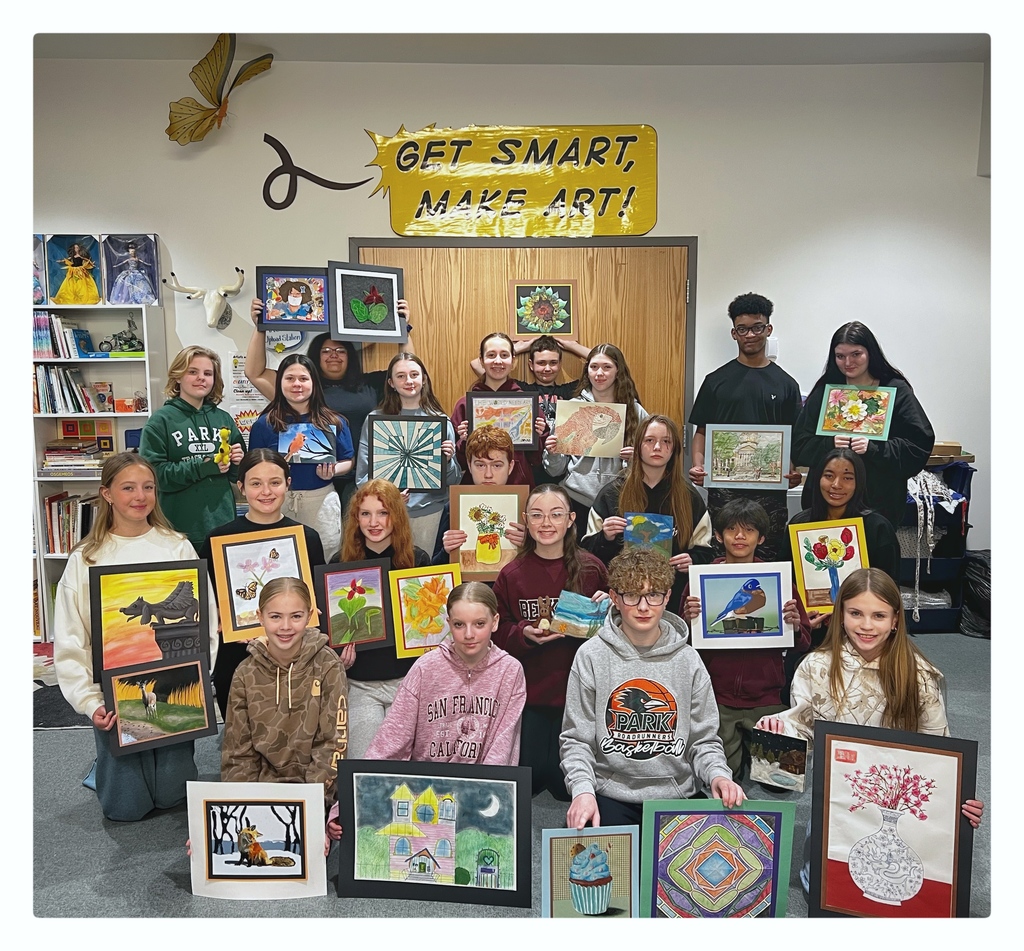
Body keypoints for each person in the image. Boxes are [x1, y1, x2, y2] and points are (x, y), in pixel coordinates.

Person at [756, 567, 984, 889]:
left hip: (896, 804)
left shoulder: (919, 676)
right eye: (855, 613)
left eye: (878, 615)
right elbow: (803, 731)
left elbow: (937, 749)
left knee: (891, 884)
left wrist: (958, 798)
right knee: (826, 885)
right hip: (835, 798)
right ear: (840, 615)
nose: (866, 625)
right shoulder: (814, 668)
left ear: (895, 620)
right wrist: (779, 735)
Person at [53, 453, 219, 821]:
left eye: (148, 487)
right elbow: (70, 638)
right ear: (107, 494)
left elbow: (204, 620)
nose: (140, 496)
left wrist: (199, 675)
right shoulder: (87, 559)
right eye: (128, 488)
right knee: (125, 809)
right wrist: (89, 701)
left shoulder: (176, 546)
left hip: (172, 679)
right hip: (113, 696)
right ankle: (105, 771)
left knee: (174, 796)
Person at [560, 548, 746, 829]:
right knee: (586, 852)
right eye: (632, 596)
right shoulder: (591, 656)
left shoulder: (688, 660)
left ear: (667, 597)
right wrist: (582, 791)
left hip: (677, 793)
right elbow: (577, 740)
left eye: (653, 595)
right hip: (610, 792)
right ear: (615, 598)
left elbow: (704, 740)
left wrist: (719, 775)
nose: (644, 607)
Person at [679, 499, 811, 780]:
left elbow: (804, 643)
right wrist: (689, 620)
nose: (740, 536)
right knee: (720, 779)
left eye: (749, 530)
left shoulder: (779, 580)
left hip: (768, 697)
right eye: (731, 529)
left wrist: (795, 627)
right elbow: (684, 645)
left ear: (760, 538)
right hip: (717, 698)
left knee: (781, 781)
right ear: (718, 536)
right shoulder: (700, 580)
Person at [492, 484, 608, 799]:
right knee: (524, 788)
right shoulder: (512, 574)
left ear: (571, 519)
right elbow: (497, 630)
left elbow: (614, 633)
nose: (546, 523)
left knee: (567, 789)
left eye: (556, 515)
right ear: (526, 520)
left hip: (579, 697)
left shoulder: (592, 569)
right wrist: (523, 634)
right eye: (537, 515)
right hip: (529, 696)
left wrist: (609, 608)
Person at [245, 297, 412, 514]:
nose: (333, 355)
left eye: (340, 350)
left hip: (363, 477)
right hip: (311, 482)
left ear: (350, 355)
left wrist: (403, 329)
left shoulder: (370, 384)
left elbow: (408, 371)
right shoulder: (302, 388)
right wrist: (260, 326)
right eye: (325, 351)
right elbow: (254, 373)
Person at [198, 448, 327, 720]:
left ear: (288, 484)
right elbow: (207, 603)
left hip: (295, 654)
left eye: (275, 482)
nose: (266, 491)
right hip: (238, 653)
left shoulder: (308, 538)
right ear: (241, 487)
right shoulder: (216, 541)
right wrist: (219, 616)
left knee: (297, 731)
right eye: (256, 483)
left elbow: (316, 603)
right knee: (241, 733)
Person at [220, 577, 347, 845]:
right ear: (260, 617)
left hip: (315, 792)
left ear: (309, 616)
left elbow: (332, 745)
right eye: (275, 616)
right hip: (262, 793)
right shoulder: (244, 673)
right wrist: (234, 815)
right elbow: (238, 753)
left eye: (296, 616)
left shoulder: (328, 665)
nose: (286, 626)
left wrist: (313, 812)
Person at [688, 292, 804, 562]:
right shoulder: (715, 381)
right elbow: (702, 431)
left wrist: (793, 470)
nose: (750, 335)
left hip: (770, 494)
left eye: (757, 327)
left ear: (768, 329)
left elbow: (793, 439)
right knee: (723, 556)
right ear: (734, 333)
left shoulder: (786, 384)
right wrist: (698, 465)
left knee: (769, 558)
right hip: (724, 492)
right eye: (742, 329)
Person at [792, 321, 934, 530]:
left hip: (878, 504)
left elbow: (919, 445)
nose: (848, 362)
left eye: (856, 354)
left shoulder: (896, 390)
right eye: (840, 356)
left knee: (874, 549)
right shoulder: (825, 391)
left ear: (870, 353)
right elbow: (799, 445)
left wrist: (875, 448)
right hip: (826, 507)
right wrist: (828, 444)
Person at [365, 582, 527, 764]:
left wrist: (487, 781)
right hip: (428, 778)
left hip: (486, 779)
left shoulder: (510, 671)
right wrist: (369, 777)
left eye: (479, 624)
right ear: (449, 624)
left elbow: (503, 749)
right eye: (459, 624)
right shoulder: (424, 668)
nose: (469, 634)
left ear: (495, 622)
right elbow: (392, 739)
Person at [582, 414, 714, 610]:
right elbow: (587, 556)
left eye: (666, 441)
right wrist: (605, 537)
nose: (657, 447)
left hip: (672, 599)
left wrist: (693, 560)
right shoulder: (611, 494)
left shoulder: (689, 497)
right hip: (623, 600)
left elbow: (707, 552)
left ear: (675, 449)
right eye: (649, 440)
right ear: (638, 446)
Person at [339, 479, 432, 757]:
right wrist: (338, 656)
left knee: (405, 766)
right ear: (356, 518)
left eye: (383, 513)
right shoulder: (339, 566)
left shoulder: (419, 561)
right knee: (363, 764)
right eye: (365, 513)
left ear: (397, 515)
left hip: (407, 682)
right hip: (360, 683)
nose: (374, 522)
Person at [247, 353, 354, 560]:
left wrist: (333, 471)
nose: (297, 384)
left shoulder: (335, 421)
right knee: (279, 560)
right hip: (278, 502)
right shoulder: (264, 424)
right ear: (280, 383)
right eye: (290, 378)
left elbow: (348, 461)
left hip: (322, 500)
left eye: (303, 378)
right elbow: (253, 467)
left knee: (324, 558)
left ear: (314, 383)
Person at [355, 352, 460, 555]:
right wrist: (387, 499)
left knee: (423, 570)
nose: (408, 381)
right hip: (385, 515)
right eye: (401, 376)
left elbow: (454, 481)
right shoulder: (375, 420)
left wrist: (447, 461)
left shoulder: (441, 422)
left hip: (429, 513)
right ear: (391, 383)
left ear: (424, 379)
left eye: (414, 374)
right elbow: (362, 477)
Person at [139, 346, 245, 548]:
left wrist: (238, 463)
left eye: (208, 373)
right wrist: (202, 467)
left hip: (222, 526)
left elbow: (238, 478)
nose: (201, 378)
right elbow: (154, 476)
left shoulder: (224, 420)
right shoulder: (160, 421)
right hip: (176, 530)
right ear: (178, 376)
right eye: (193, 372)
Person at [788, 446, 901, 629]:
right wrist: (801, 617)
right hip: (812, 626)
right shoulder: (799, 524)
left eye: (847, 478)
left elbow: (889, 589)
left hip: (863, 627)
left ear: (859, 482)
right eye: (829, 476)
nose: (836, 485)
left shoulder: (877, 528)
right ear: (818, 478)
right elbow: (789, 582)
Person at [543, 343, 648, 528]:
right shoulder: (572, 409)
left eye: (607, 367)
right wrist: (552, 453)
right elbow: (554, 471)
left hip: (620, 500)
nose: (599, 373)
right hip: (576, 500)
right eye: (594, 367)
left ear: (618, 371)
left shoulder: (635, 411)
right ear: (587, 371)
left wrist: (638, 458)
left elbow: (654, 461)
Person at [453, 332, 543, 487]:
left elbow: (537, 460)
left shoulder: (527, 405)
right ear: (481, 361)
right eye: (491, 355)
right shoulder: (465, 405)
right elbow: (458, 463)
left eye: (504, 355)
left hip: (519, 487)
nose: (498, 361)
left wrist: (537, 437)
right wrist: (463, 441)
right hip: (477, 489)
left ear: (513, 361)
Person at [432, 427, 527, 566]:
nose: (488, 474)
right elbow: (434, 566)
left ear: (510, 467)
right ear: (469, 466)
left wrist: (531, 546)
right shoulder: (454, 506)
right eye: (481, 465)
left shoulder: (526, 507)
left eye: (497, 465)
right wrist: (446, 551)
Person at [106, 239, 157, 305]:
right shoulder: (129, 259)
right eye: (131, 252)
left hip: (136, 272)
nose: (132, 253)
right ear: (129, 252)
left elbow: (143, 262)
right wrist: (116, 265)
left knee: (140, 284)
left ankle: (140, 298)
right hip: (130, 272)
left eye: (133, 251)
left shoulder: (137, 259)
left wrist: (148, 264)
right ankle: (127, 299)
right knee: (126, 284)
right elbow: (122, 263)